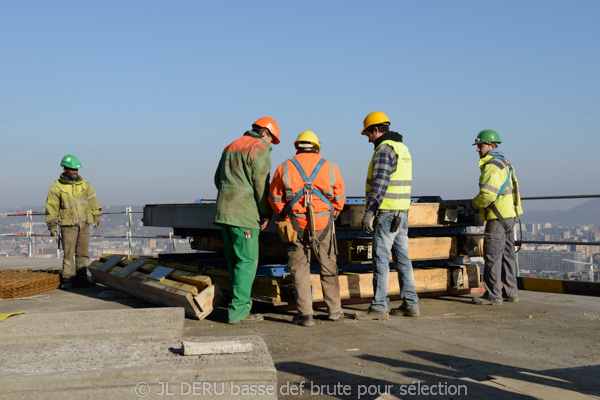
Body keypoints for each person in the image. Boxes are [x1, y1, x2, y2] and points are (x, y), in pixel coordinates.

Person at [269, 131, 346, 327]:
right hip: (324, 225)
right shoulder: (330, 166)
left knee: (300, 271)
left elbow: (275, 198)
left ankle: (306, 316)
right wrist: (332, 215)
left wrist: (285, 216)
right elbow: (339, 197)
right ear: (317, 147)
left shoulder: (285, 166)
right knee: (328, 267)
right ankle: (335, 311)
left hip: (295, 226)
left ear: (297, 147)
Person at [213, 117, 280, 324]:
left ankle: (236, 306)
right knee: (247, 262)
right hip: (244, 215)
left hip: (224, 213)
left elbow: (217, 179)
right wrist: (266, 213)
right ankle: (239, 312)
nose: (270, 144)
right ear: (265, 133)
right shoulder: (259, 149)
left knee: (235, 261)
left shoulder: (230, 146)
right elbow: (261, 187)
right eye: (272, 140)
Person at [357, 111, 419, 319]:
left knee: (380, 259)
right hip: (402, 212)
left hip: (387, 213)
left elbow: (380, 182)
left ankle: (379, 306)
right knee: (403, 259)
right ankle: (411, 303)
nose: (368, 139)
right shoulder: (403, 149)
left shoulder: (384, 149)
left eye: (368, 134)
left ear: (376, 129)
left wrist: (370, 211)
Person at [469, 129, 523, 305]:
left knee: (492, 255)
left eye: (481, 145)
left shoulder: (492, 166)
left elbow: (487, 195)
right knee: (508, 256)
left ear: (492, 146)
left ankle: (493, 295)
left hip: (497, 217)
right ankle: (511, 292)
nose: (478, 149)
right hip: (509, 216)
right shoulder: (505, 163)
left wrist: (473, 205)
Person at [45, 154, 102, 290]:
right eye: (72, 169)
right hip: (68, 224)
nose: (75, 172)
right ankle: (68, 280)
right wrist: (52, 225)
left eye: (76, 169)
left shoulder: (85, 185)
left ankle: (82, 279)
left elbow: (92, 200)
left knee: (83, 253)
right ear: (65, 169)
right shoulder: (57, 187)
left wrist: (96, 215)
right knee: (69, 254)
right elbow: (51, 206)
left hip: (84, 223)